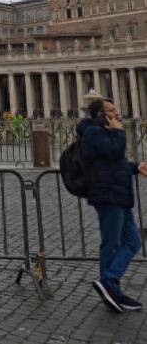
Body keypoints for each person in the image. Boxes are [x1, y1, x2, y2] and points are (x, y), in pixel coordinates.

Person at [81, 97, 147, 312]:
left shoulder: (103, 133)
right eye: (111, 110)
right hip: (108, 195)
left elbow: (113, 163)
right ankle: (111, 289)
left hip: (119, 194)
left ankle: (109, 282)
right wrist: (118, 131)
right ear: (101, 115)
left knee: (133, 241)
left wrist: (136, 167)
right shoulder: (93, 133)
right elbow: (114, 153)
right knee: (111, 243)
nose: (117, 113)